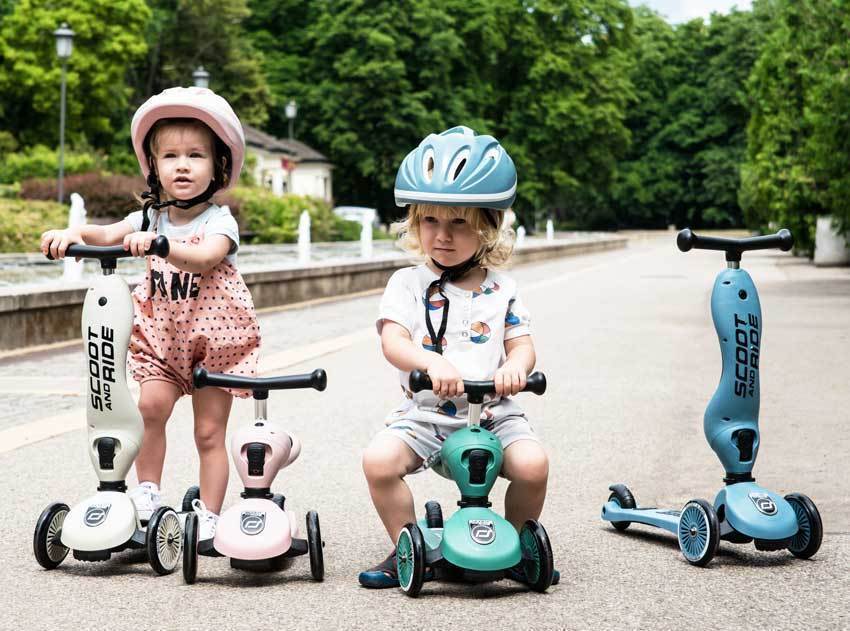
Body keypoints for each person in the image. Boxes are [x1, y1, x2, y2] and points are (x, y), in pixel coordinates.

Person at [40, 86, 260, 541]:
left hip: (215, 343)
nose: (183, 165)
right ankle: (148, 494)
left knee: (208, 432)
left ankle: (209, 515)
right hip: (163, 341)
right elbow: (106, 234)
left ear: (218, 166)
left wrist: (162, 246)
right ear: (154, 167)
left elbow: (205, 258)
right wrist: (72, 233)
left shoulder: (219, 221)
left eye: (196, 155)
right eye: (171, 156)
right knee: (149, 410)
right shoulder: (150, 217)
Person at [359, 126, 557, 587]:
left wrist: (516, 368)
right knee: (378, 462)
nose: (442, 236)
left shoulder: (503, 289)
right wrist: (431, 363)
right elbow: (394, 341)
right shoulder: (406, 284)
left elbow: (522, 344)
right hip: (426, 416)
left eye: (459, 223)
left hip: (493, 415)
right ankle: (406, 546)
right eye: (430, 220)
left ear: (488, 226)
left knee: (533, 466)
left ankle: (518, 545)